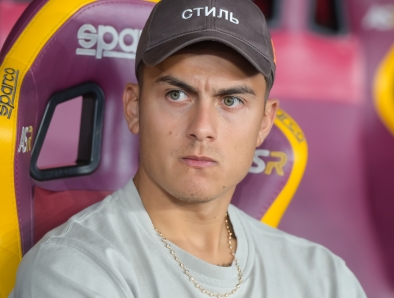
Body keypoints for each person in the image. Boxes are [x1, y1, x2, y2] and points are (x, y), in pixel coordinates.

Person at [9, 0, 366, 297]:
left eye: (230, 100)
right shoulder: (73, 271)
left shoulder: (325, 279)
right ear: (134, 108)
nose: (202, 129)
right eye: (176, 95)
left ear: (264, 123)